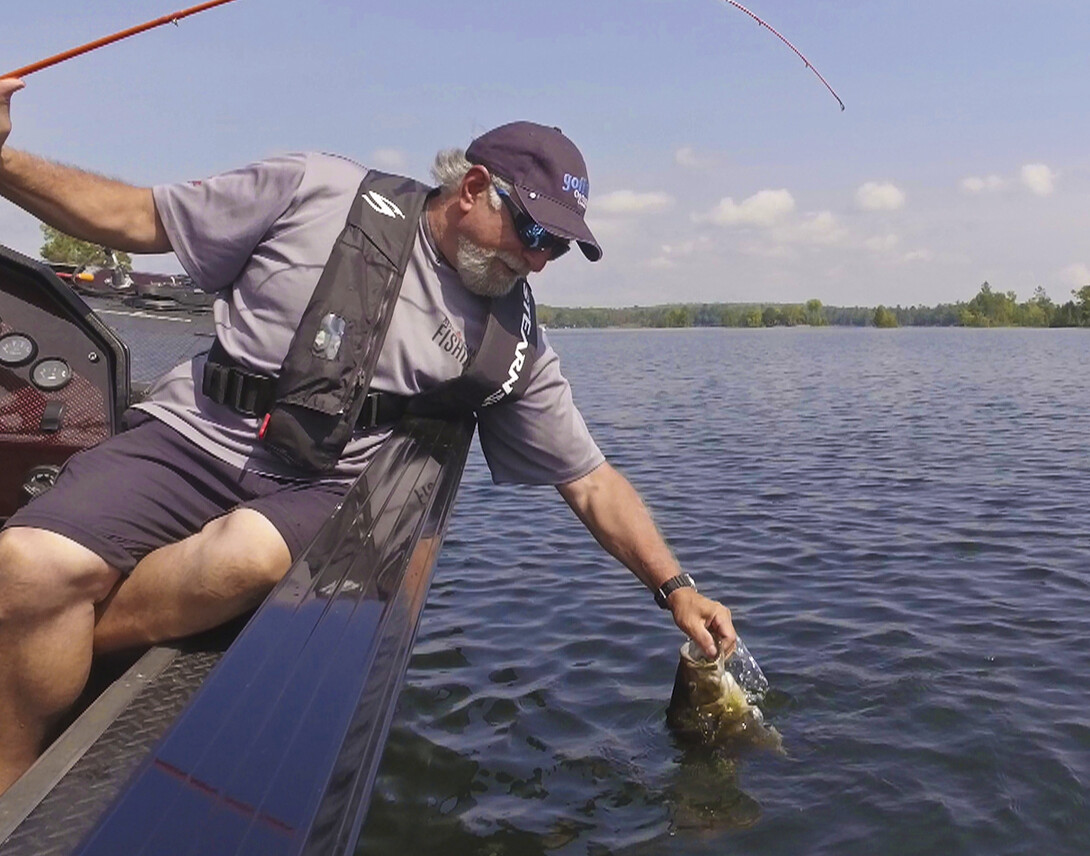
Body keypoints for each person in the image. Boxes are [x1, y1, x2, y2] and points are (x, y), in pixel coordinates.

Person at [0, 77, 736, 796]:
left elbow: (589, 480)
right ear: (475, 187)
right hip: (191, 435)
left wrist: (676, 588)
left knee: (243, 558)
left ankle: (53, 645)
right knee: (28, 564)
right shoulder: (314, 188)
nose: (539, 258)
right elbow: (138, 219)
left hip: (325, 481)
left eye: (559, 248)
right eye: (534, 231)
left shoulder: (512, 337)